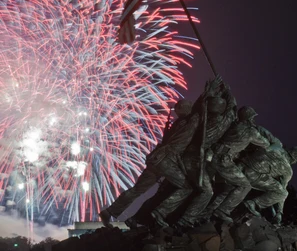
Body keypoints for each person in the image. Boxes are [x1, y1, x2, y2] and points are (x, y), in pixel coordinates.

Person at [98, 97, 201, 228]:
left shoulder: (177, 124)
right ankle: (160, 212)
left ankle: (109, 211)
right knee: (186, 187)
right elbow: (199, 112)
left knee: (137, 190)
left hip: (157, 158)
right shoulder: (190, 122)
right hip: (167, 160)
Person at [153, 78, 237, 227]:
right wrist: (227, 91)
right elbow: (232, 107)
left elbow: (199, 106)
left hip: (186, 158)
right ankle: (185, 219)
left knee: (187, 187)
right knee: (207, 191)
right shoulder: (223, 121)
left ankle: (162, 212)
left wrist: (209, 93)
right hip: (196, 160)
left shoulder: (202, 118)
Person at [208, 106, 282, 223]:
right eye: (252, 118)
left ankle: (206, 214)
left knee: (222, 188)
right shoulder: (250, 131)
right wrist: (277, 144)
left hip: (211, 156)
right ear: (248, 119)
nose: (254, 120)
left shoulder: (233, 125)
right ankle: (222, 211)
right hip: (223, 160)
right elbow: (266, 145)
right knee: (244, 185)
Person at [242, 146, 297, 225]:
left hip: (241, 164)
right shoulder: (287, 170)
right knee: (282, 193)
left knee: (269, 188)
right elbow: (281, 191)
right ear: (293, 160)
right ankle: (253, 203)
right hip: (251, 175)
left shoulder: (277, 147)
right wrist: (279, 212)